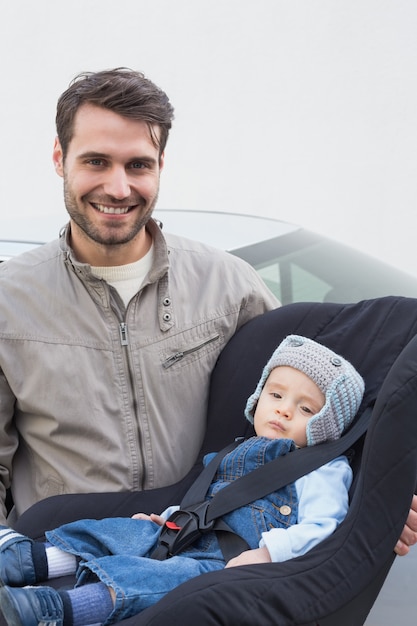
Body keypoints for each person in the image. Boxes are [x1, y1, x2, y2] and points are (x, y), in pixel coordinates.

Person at [0, 68, 278, 526]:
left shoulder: (231, 286)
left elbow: (305, 419)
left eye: (138, 165)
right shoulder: (9, 302)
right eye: (96, 161)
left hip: (204, 568)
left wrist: (371, 492)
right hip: (63, 579)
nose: (118, 188)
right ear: (59, 157)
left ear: (160, 165)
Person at [0, 335, 365, 625]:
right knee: (118, 531)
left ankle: (53, 608)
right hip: (182, 530)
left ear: (327, 424)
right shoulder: (238, 450)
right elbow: (206, 499)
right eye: (276, 394)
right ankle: (27, 560)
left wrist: (269, 553)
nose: (284, 409)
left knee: (156, 580)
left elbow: (324, 526)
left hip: (227, 562)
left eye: (305, 409)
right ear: (258, 398)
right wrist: (171, 517)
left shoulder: (321, 469)